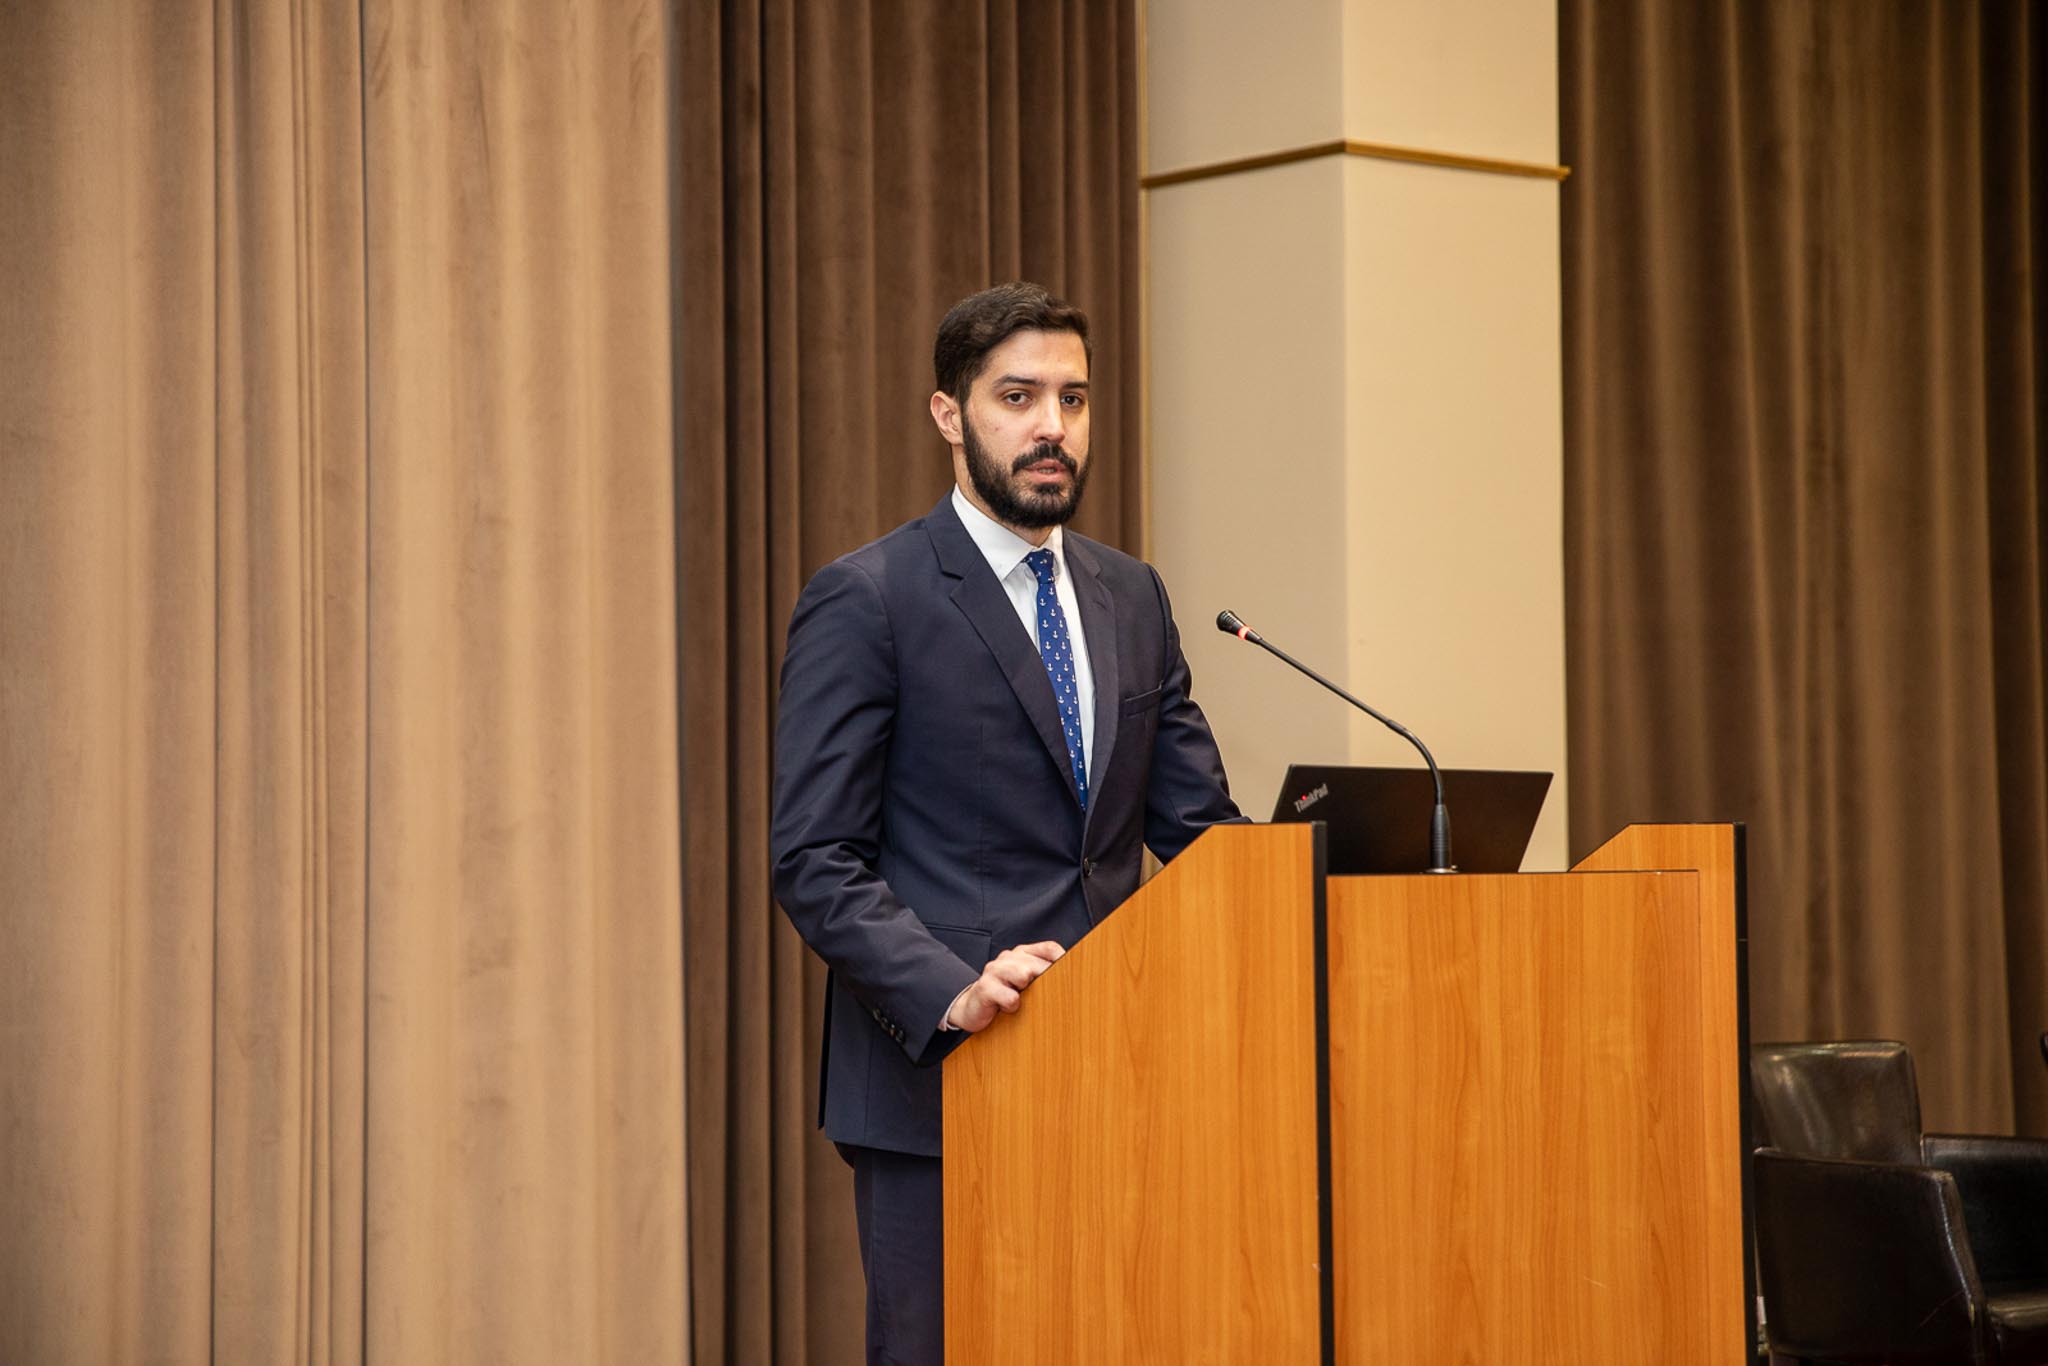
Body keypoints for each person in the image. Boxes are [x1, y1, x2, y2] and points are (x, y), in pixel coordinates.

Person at [770, 281, 1241, 1366]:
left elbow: (1201, 832)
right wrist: (953, 990)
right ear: (950, 414)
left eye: (1073, 399)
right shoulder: (870, 596)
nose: (1051, 427)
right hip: (944, 1091)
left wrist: (1342, 868)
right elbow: (814, 857)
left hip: (1124, 1079)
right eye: (1018, 397)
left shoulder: (1132, 595)